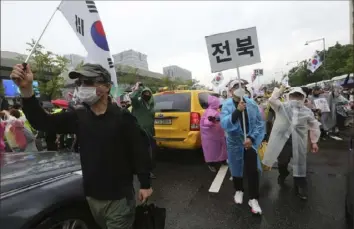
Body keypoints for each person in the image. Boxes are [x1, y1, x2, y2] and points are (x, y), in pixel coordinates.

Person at [11, 63, 153, 229]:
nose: (82, 87)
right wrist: (27, 90)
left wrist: (145, 184)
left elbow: (139, 150)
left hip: (118, 199)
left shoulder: (123, 118)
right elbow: (44, 123)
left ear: (106, 87)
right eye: (79, 83)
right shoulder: (79, 115)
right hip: (91, 197)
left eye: (88, 82)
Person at [262, 86, 320, 200]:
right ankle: (283, 173)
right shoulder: (281, 107)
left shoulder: (307, 111)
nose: (296, 99)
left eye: (299, 96)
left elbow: (314, 126)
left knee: (300, 163)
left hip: (299, 141)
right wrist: (280, 90)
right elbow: (272, 100)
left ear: (303, 98)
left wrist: (314, 142)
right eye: (294, 96)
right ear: (289, 97)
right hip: (284, 141)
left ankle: (301, 186)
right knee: (283, 161)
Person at [220, 79, 265, 215]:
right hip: (234, 143)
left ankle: (254, 198)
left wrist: (251, 138)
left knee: (252, 170)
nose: (240, 88)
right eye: (236, 87)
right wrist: (237, 111)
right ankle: (239, 190)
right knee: (236, 167)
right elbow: (224, 123)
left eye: (242, 86)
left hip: (250, 143)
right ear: (231, 90)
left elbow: (259, 123)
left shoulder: (251, 104)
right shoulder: (227, 105)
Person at [130, 82, 156, 179]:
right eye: (145, 93)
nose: (147, 95)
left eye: (148, 93)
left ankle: (149, 171)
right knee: (141, 153)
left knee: (151, 153)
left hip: (151, 132)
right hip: (139, 132)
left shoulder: (152, 105)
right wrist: (137, 88)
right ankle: (141, 172)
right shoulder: (138, 105)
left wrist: (145, 87)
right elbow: (132, 97)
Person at [200, 95, 227, 172]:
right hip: (211, 136)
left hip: (215, 135)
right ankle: (212, 163)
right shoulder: (211, 111)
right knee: (212, 150)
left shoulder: (212, 110)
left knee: (217, 148)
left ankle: (220, 161)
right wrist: (213, 121)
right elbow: (207, 122)